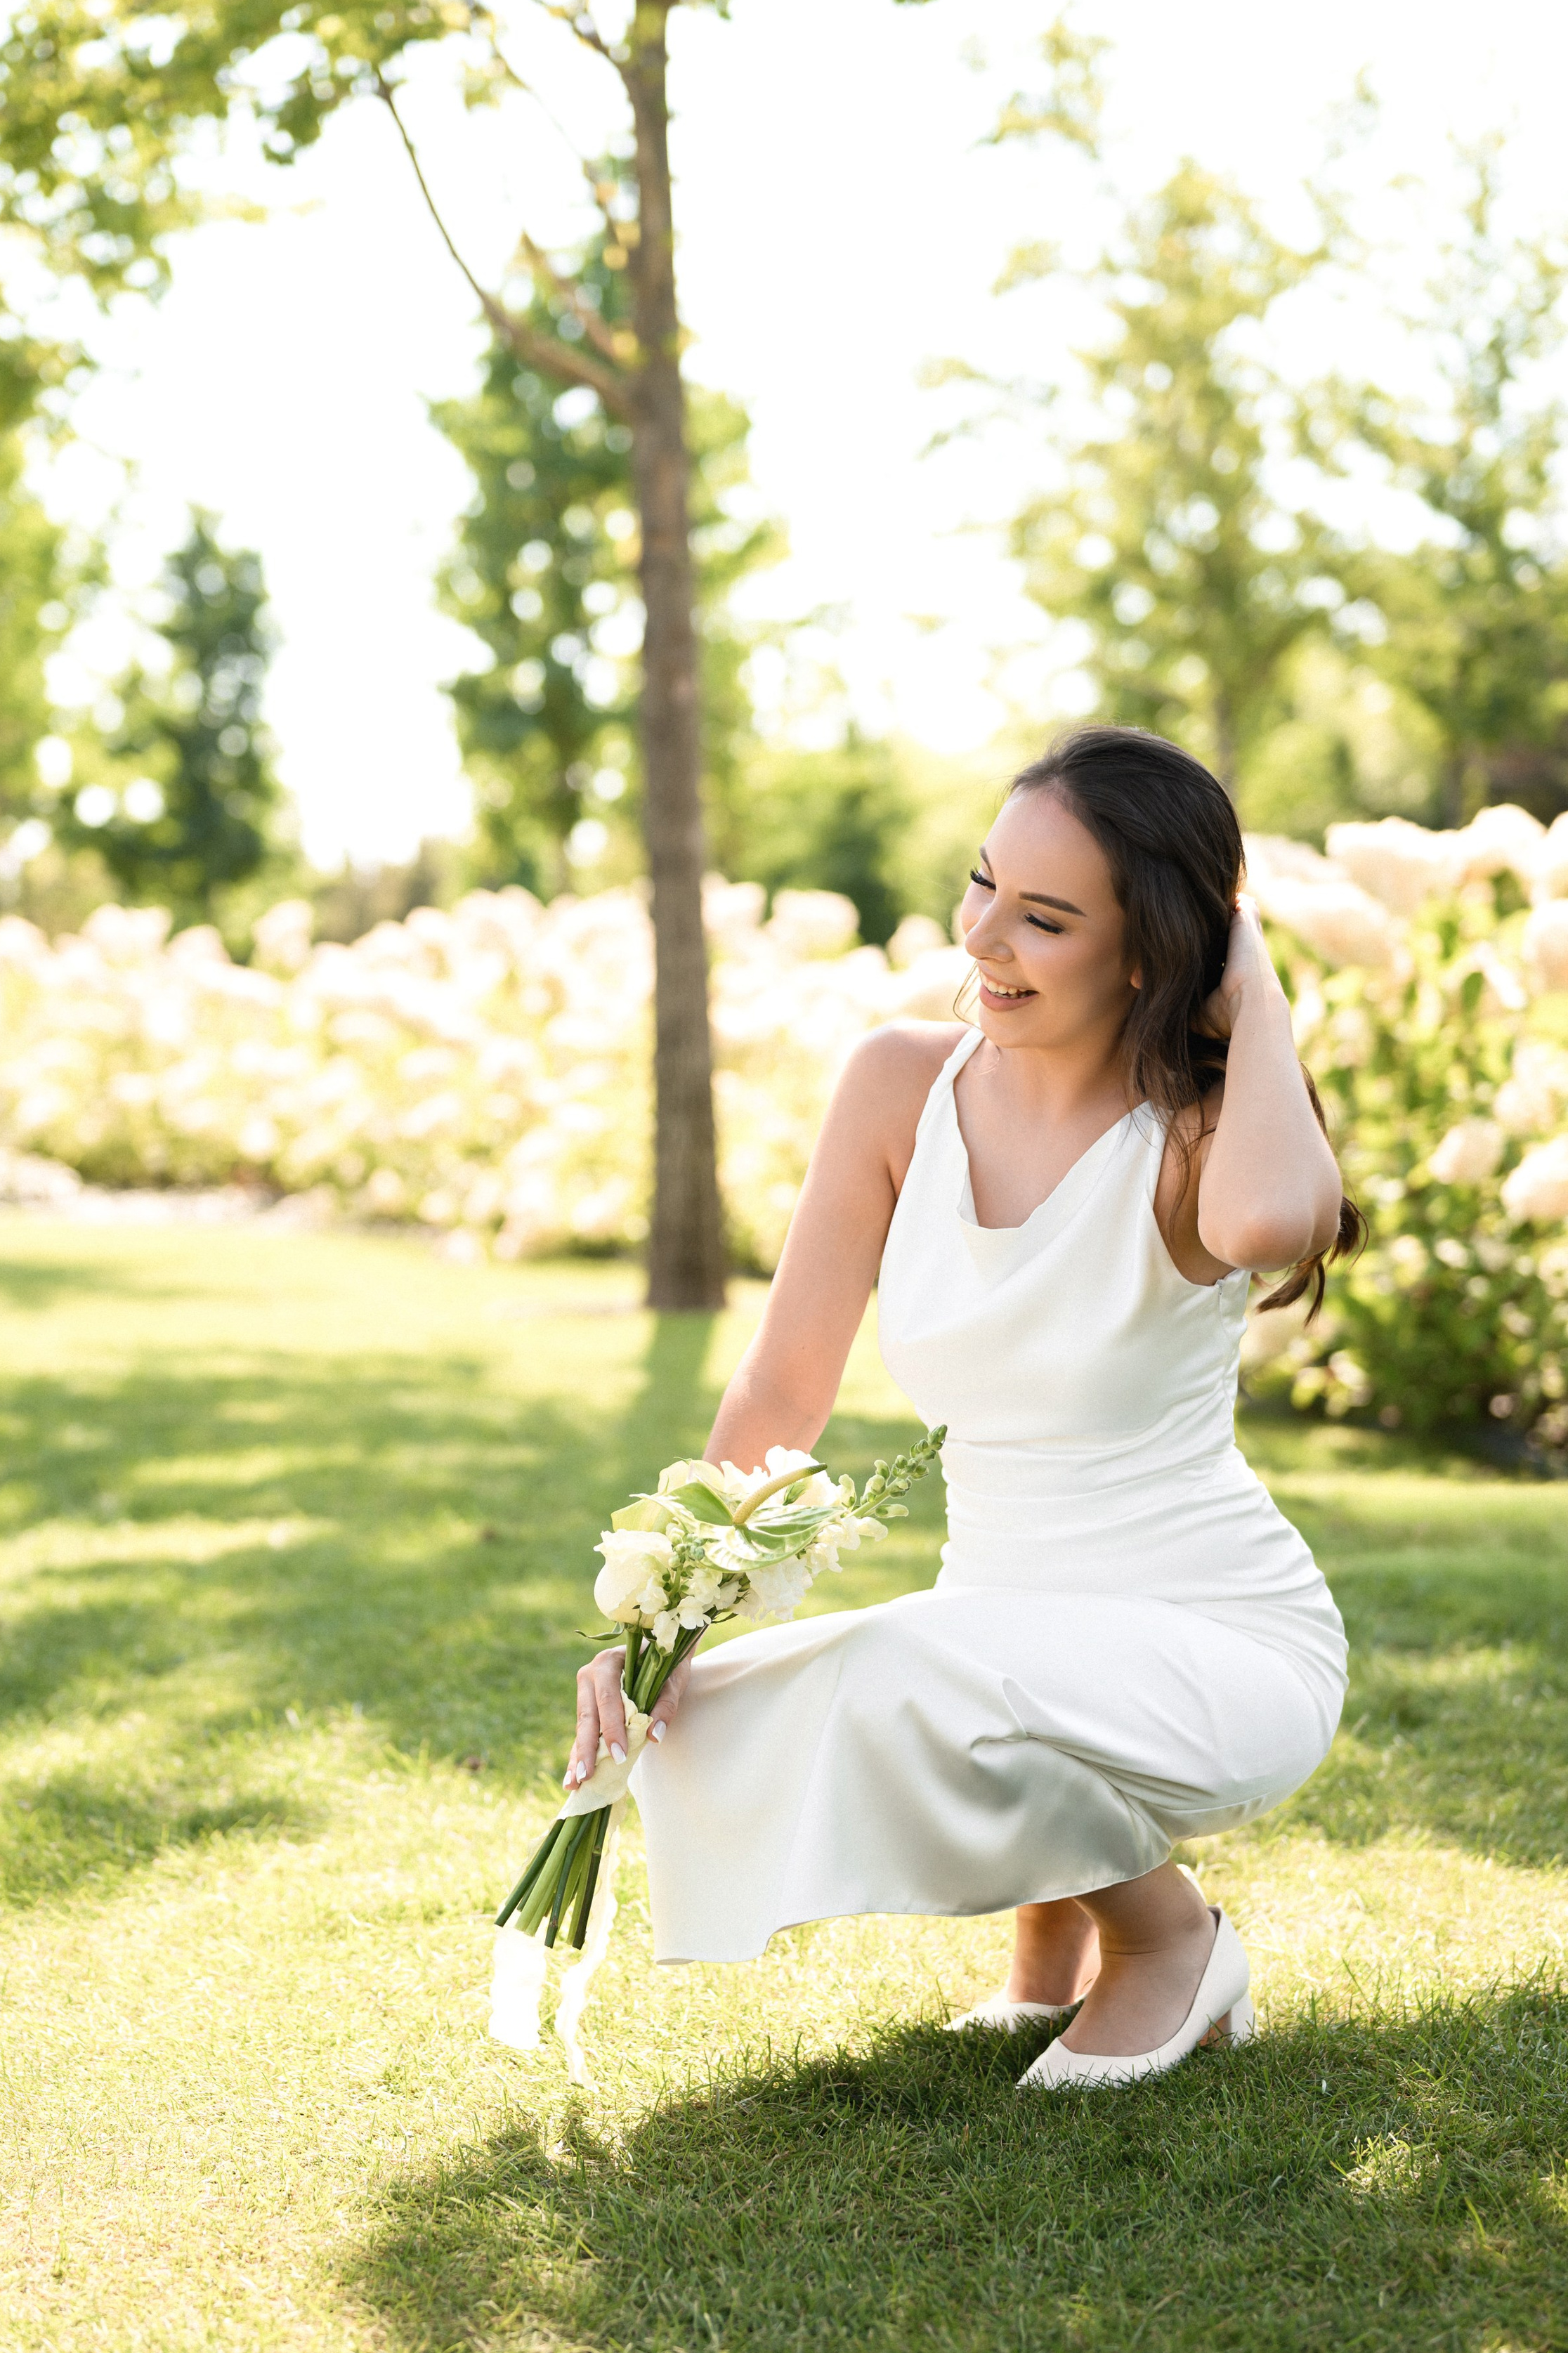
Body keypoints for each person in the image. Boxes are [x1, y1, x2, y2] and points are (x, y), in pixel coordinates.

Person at [565, 725, 1360, 2090]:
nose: (982, 937)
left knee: (910, 1665)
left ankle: (1169, 1944)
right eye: (981, 884)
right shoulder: (895, 1087)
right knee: (726, 1706)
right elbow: (780, 1384)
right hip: (1004, 1644)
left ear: (1148, 950)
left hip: (1218, 1652)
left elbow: (1279, 1219)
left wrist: (1258, 991)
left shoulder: (1187, 1135)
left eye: (1043, 917)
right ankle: (1039, 1970)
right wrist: (669, 1623)